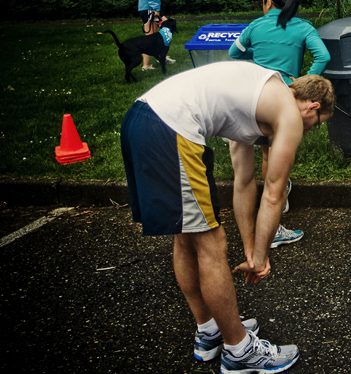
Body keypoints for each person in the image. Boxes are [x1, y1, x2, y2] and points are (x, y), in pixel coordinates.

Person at [120, 62, 335, 373]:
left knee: (186, 235)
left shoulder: (255, 97)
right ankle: (239, 351)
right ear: (312, 106)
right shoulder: (288, 113)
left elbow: (244, 182)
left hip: (143, 117)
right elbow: (274, 193)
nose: (312, 129)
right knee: (211, 244)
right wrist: (260, 259)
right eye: (317, 122)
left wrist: (250, 246)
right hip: (170, 127)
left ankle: (209, 332)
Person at [230, 0, 331, 246]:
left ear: (268, 3)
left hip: (251, 96)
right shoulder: (303, 28)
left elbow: (235, 53)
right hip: (282, 96)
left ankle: (251, 230)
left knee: (244, 171)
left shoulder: (256, 26)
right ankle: (273, 227)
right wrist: (302, 83)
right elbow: (323, 55)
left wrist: (259, 52)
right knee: (271, 157)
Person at [137, 0, 175, 70]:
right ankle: (146, 65)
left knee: (156, 35)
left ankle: (161, 57)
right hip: (149, 9)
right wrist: (156, 9)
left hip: (148, 8)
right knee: (150, 39)